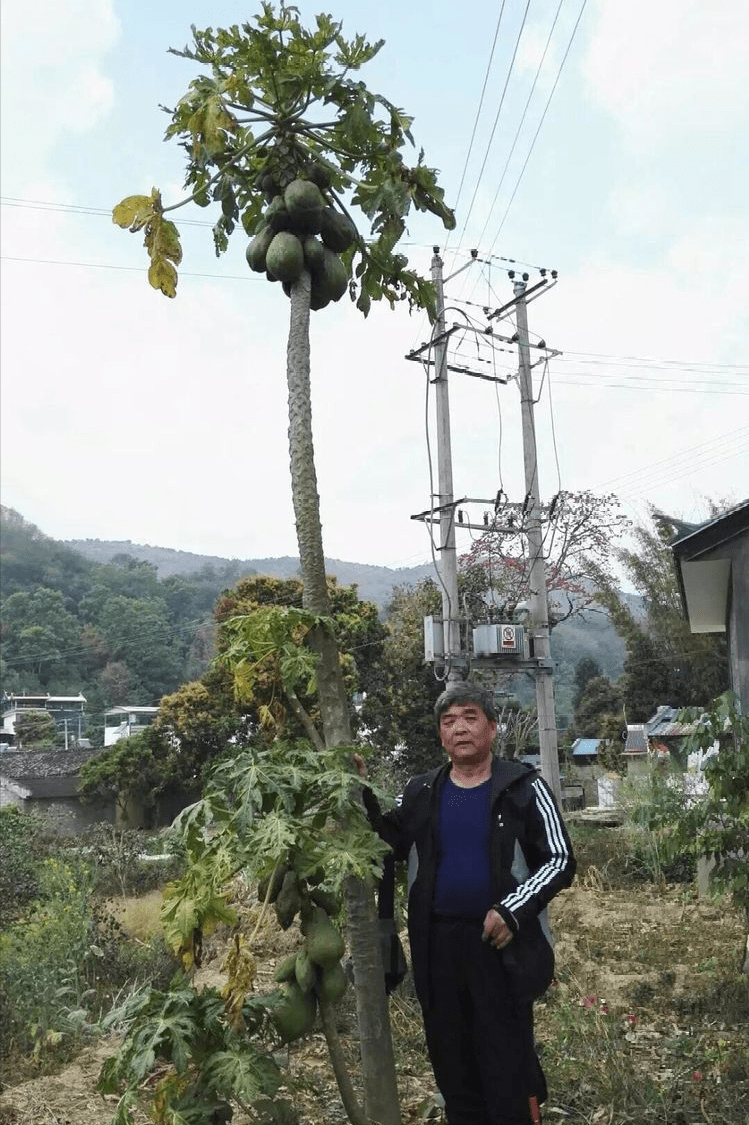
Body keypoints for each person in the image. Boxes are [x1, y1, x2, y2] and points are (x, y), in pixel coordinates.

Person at [356, 681, 576, 1125]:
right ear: (441, 735)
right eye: (448, 721)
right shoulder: (421, 791)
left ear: (492, 728)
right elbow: (387, 841)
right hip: (437, 948)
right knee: (452, 1066)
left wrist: (513, 909)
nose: (459, 728)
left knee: (507, 1067)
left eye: (470, 717)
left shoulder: (525, 787)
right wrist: (358, 790)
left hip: (500, 948)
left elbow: (561, 859)